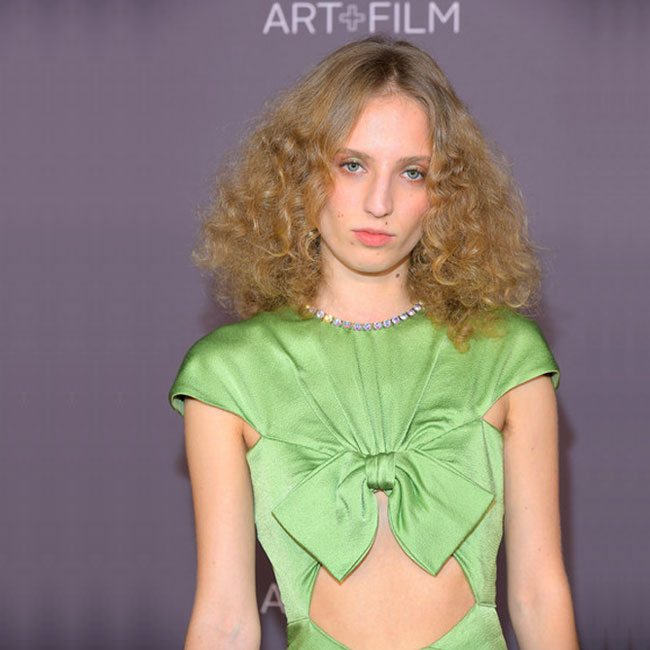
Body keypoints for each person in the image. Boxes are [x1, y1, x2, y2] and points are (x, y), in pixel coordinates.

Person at [168, 35, 580, 650]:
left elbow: (538, 597)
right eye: (352, 164)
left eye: (412, 173)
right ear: (300, 173)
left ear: (445, 195)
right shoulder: (228, 373)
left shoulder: (508, 356)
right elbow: (226, 619)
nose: (380, 203)